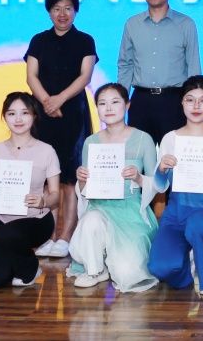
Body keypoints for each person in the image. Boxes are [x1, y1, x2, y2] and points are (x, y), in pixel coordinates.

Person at [147, 76, 203, 295]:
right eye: (190, 100)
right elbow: (159, 187)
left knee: (199, 223)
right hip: (176, 216)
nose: (196, 106)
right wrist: (161, 170)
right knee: (160, 268)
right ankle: (188, 266)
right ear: (182, 103)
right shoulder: (170, 138)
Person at [26, 0, 98, 259]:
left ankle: (66, 236)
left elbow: (85, 76)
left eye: (68, 8)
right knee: (46, 177)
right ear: (49, 12)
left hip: (73, 115)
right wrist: (47, 102)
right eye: (56, 8)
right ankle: (47, 234)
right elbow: (31, 76)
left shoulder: (85, 41)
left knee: (69, 177)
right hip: (43, 114)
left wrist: (59, 100)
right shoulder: (38, 40)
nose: (62, 14)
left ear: (75, 11)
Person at [66, 83, 159, 292]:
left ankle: (111, 259)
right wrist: (82, 179)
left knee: (128, 273)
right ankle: (95, 270)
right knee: (91, 220)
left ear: (127, 105)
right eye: (102, 103)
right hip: (99, 207)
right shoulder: (91, 142)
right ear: (97, 108)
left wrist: (139, 178)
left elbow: (156, 184)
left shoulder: (143, 139)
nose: (108, 108)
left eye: (115, 102)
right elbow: (86, 191)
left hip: (131, 211)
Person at [0, 92, 61, 289]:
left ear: (34, 115)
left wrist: (43, 201)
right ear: (4, 117)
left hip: (36, 219)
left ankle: (30, 266)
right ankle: (20, 262)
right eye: (11, 113)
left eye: (24, 113)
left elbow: (56, 195)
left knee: (9, 235)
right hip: (4, 220)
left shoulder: (47, 151)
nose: (18, 119)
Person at [117, 0, 201, 145]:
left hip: (173, 101)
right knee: (137, 156)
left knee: (174, 156)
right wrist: (121, 102)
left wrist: (194, 104)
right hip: (141, 101)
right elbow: (125, 65)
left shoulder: (186, 24)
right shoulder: (132, 24)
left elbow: (193, 68)